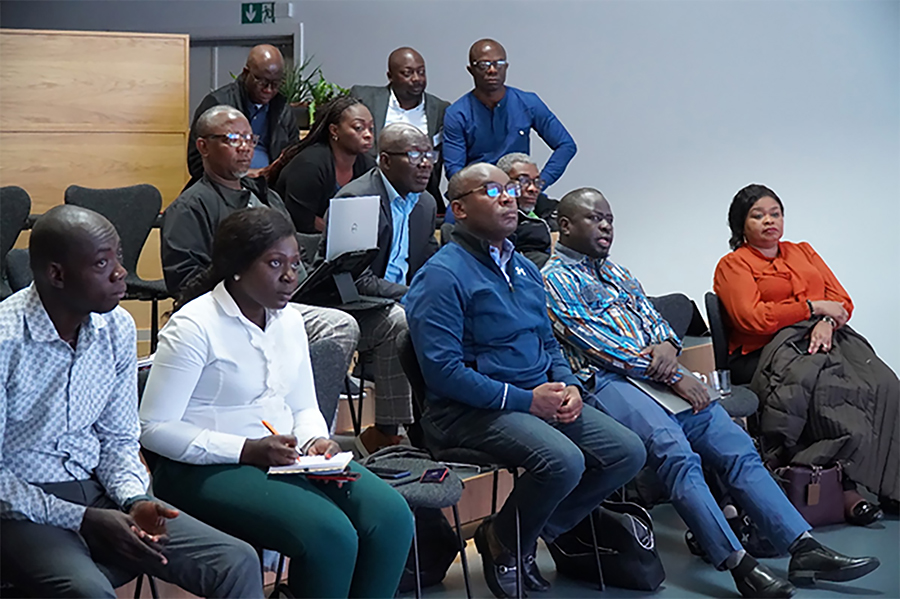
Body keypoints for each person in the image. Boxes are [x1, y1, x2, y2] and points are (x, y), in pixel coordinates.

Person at [542, 187, 881, 598]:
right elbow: (600, 347)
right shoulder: (553, 280)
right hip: (608, 382)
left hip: (661, 374)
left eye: (609, 218)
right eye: (595, 219)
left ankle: (802, 546)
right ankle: (738, 564)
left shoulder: (618, 271)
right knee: (675, 452)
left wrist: (669, 346)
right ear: (565, 225)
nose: (607, 226)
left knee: (734, 444)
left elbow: (657, 323)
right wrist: (673, 374)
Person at [140, 207, 414, 599]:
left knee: (391, 516)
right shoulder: (193, 326)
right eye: (275, 264)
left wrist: (314, 440)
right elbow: (153, 428)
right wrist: (247, 450)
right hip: (201, 467)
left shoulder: (287, 319)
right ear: (236, 267)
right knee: (330, 533)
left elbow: (302, 405)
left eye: (295, 263)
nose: (291, 276)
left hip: (281, 457)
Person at [404, 164, 646, 599]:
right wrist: (527, 400)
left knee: (627, 452)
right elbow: (444, 373)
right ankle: (514, 542)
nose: (509, 197)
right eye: (492, 190)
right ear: (458, 209)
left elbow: (547, 341)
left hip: (539, 397)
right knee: (564, 461)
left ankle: (511, 537)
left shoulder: (522, 266)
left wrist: (568, 384)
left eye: (511, 189)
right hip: (468, 410)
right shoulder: (441, 275)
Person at [0, 205, 263, 599]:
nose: (120, 272)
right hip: (19, 505)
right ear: (57, 274)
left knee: (236, 560)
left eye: (118, 257)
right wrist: (84, 519)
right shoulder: (6, 339)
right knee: (89, 592)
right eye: (102, 263)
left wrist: (135, 499)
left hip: (98, 489)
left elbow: (119, 439)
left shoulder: (116, 326)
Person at [714, 183, 899, 519]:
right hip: (765, 351)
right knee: (829, 391)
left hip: (825, 337)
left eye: (776, 213)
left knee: (885, 384)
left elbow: (842, 300)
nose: (770, 221)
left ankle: (891, 485)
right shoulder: (733, 265)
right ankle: (845, 489)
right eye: (758, 216)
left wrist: (827, 320)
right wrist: (812, 307)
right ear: (741, 224)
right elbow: (753, 319)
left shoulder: (803, 251)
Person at [162, 105, 360, 413]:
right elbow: (185, 287)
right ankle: (306, 421)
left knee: (386, 319)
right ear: (203, 146)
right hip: (235, 310)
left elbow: (296, 251)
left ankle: (323, 425)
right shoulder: (190, 207)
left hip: (291, 298)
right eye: (232, 138)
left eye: (249, 138)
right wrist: (237, 262)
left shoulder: (265, 194)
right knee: (338, 326)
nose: (245, 147)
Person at [321, 123, 439, 454]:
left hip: (400, 300)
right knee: (401, 320)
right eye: (414, 155)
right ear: (385, 161)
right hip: (348, 306)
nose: (426, 163)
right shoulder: (355, 200)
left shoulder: (426, 204)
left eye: (429, 154)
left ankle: (442, 429)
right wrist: (415, 297)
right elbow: (349, 280)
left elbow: (428, 264)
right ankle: (388, 432)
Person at [443, 39, 576, 192]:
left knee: (559, 213)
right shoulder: (457, 113)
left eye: (499, 63)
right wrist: (477, 194)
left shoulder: (528, 103)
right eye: (483, 65)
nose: (492, 70)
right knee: (453, 216)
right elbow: (454, 169)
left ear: (506, 67)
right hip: (480, 192)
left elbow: (566, 145)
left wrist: (540, 183)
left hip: (520, 190)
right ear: (470, 69)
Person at [350, 47, 450, 211]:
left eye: (421, 72)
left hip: (419, 197)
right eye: (408, 73)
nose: (416, 78)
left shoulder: (440, 109)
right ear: (390, 76)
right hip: (369, 192)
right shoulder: (364, 98)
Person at [186, 44, 297, 187]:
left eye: (276, 84)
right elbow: (196, 163)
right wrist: (246, 175)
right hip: (223, 189)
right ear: (246, 73)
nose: (269, 90)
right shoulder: (218, 105)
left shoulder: (283, 110)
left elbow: (293, 157)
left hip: (269, 188)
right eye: (262, 82)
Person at [267, 96, 376, 233]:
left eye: (371, 128)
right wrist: (343, 232)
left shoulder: (368, 165)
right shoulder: (309, 165)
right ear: (334, 130)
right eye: (358, 128)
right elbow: (301, 220)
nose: (368, 135)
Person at [496, 152, 553, 268]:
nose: (533, 189)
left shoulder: (548, 209)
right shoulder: (493, 219)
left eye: (537, 182)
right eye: (523, 181)